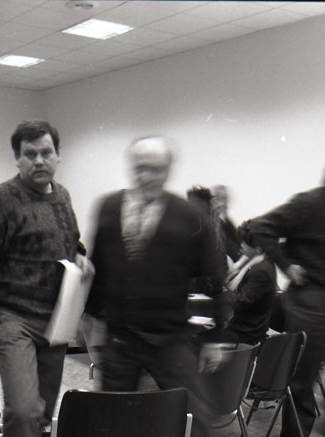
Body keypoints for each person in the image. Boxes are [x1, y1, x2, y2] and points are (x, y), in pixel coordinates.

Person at [0, 120, 91, 437]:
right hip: (14, 318)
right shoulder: (0, 201)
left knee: (42, 413)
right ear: (17, 159)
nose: (39, 161)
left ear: (58, 156)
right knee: (24, 411)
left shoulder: (63, 197)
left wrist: (80, 256)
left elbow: (71, 241)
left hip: (56, 320)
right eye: (30, 154)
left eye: (46, 153)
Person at [85, 136, 226, 437]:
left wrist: (215, 339)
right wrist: (93, 326)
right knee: (110, 422)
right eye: (140, 168)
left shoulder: (189, 216)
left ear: (168, 170)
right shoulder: (109, 208)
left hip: (169, 338)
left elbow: (215, 275)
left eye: (155, 169)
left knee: (198, 420)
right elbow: (98, 268)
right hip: (120, 337)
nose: (146, 176)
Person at [248, 157, 325, 437]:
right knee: (302, 382)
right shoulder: (307, 204)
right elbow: (260, 227)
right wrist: (287, 265)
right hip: (311, 299)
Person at [225, 221, 278, 345]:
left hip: (246, 334)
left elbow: (241, 302)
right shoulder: (260, 263)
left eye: (245, 243)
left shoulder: (261, 271)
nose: (241, 245)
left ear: (258, 248)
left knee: (198, 339)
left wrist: (221, 290)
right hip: (246, 329)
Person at [211, 184, 241, 263]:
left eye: (225, 199)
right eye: (221, 199)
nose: (224, 203)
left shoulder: (228, 222)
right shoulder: (210, 222)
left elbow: (238, 242)